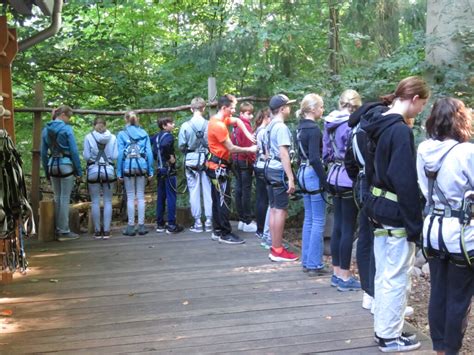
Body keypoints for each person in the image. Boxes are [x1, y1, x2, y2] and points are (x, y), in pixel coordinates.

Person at [361, 76, 430, 352]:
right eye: (422, 104)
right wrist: (416, 226)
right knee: (396, 275)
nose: (421, 110)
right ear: (414, 99)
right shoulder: (399, 131)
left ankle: (386, 330)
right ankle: (389, 336)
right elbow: (404, 181)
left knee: (384, 273)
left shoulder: (377, 124)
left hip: (377, 207)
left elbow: (370, 170)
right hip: (394, 211)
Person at [416, 97, 473, 355]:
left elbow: (423, 188)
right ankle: (450, 351)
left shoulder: (423, 149)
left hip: (432, 231)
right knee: (458, 297)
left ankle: (439, 349)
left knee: (438, 291)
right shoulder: (467, 152)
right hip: (461, 234)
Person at [323, 90, 362, 291]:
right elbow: (355, 154)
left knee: (338, 225)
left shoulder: (330, 122)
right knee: (347, 228)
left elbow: (326, 153)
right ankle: (345, 276)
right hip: (347, 178)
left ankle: (337, 272)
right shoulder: (351, 125)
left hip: (333, 176)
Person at [206, 94, 257, 244]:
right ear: (224, 107)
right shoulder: (219, 125)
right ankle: (225, 233)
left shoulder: (220, 119)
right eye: (232, 108)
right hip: (218, 167)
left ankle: (217, 230)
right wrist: (250, 149)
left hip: (216, 165)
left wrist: (248, 133)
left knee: (217, 199)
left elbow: (238, 120)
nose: (234, 111)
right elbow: (232, 148)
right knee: (223, 201)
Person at [263, 94, 299, 262]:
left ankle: (274, 246)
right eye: (288, 106)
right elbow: (284, 153)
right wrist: (290, 177)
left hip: (268, 168)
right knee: (280, 210)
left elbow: (267, 151)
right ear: (282, 109)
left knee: (273, 208)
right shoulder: (281, 127)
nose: (290, 109)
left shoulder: (269, 126)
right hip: (278, 171)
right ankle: (277, 250)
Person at [296, 94, 328, 275]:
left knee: (309, 219)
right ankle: (315, 264)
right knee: (317, 220)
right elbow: (315, 158)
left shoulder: (299, 128)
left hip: (301, 172)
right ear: (313, 109)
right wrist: (326, 181)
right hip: (312, 174)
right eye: (321, 107)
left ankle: (307, 261)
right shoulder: (314, 130)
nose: (322, 110)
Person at [41, 105, 82, 241]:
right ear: (63, 114)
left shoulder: (46, 130)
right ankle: (64, 231)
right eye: (68, 117)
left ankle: (58, 229)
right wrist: (78, 171)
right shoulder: (66, 129)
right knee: (64, 198)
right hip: (65, 165)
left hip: (52, 164)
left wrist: (47, 171)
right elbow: (74, 152)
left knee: (58, 197)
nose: (69, 120)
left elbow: (43, 153)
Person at [178, 97, 213, 233]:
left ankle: (198, 222)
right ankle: (209, 221)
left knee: (194, 191)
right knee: (208, 190)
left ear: (191, 108)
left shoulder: (185, 126)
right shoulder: (209, 124)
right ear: (203, 109)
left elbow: (181, 145)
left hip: (191, 160)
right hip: (206, 160)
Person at [117, 111, 154, 236]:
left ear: (125, 120)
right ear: (137, 119)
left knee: (131, 196)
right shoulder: (143, 133)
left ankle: (131, 227)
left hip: (128, 167)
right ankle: (142, 226)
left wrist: (119, 172)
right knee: (141, 196)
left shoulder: (122, 134)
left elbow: (120, 154)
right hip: (141, 166)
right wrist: (150, 171)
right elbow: (149, 154)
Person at [83, 117, 118, 239]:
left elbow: (87, 157)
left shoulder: (88, 137)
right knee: (108, 201)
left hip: (93, 171)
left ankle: (98, 231)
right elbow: (114, 155)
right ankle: (107, 230)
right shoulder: (113, 137)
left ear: (94, 125)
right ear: (105, 125)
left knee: (95, 202)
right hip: (108, 171)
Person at [151, 117, 184, 234]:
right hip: (169, 171)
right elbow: (165, 146)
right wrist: (170, 156)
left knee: (161, 197)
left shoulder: (155, 137)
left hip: (160, 170)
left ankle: (160, 224)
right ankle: (171, 225)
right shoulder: (168, 137)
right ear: (164, 126)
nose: (173, 124)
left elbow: (153, 149)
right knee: (171, 197)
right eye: (171, 123)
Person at [232, 102, 258, 233]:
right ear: (241, 113)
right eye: (248, 113)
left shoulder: (235, 127)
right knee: (245, 191)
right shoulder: (245, 126)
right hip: (244, 161)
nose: (251, 116)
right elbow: (250, 148)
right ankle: (247, 220)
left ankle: (242, 220)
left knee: (239, 190)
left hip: (236, 160)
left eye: (251, 113)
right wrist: (253, 163)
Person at [254, 107, 271, 239]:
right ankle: (262, 228)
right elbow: (266, 153)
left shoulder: (257, 130)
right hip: (263, 165)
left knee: (260, 198)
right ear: (266, 117)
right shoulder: (264, 131)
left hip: (257, 165)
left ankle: (260, 228)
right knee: (264, 199)